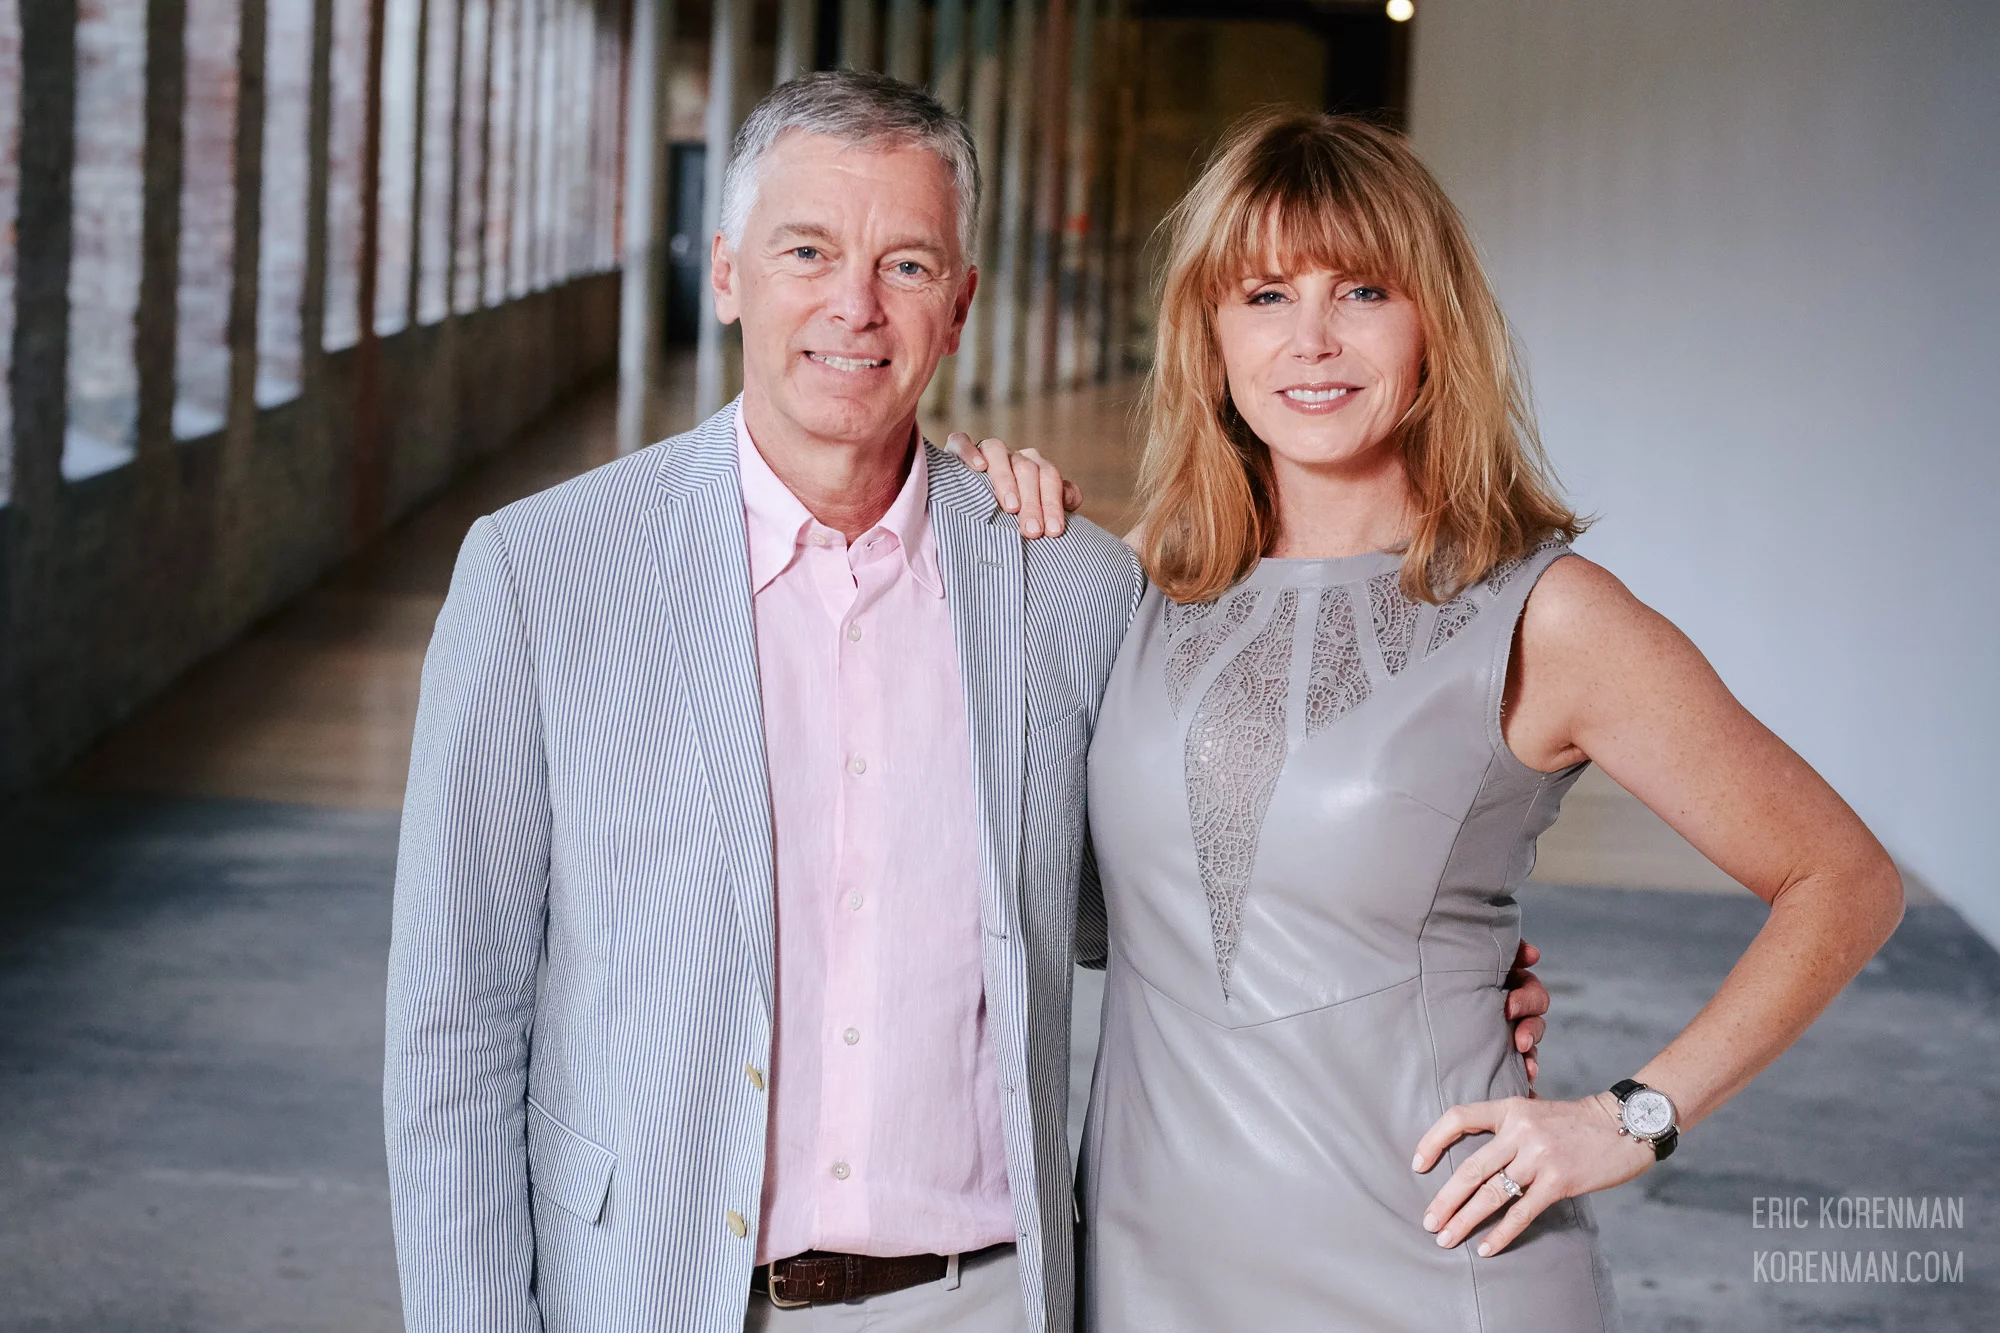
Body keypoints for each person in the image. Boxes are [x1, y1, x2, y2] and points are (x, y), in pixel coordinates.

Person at [384, 74, 1548, 1333]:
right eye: (806, 251)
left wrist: (1429, 963)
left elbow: (1161, 910)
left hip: (982, 1299)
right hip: (651, 1297)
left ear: (959, 306)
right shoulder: (542, 573)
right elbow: (455, 1022)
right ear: (726, 274)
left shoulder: (1068, 588)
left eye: (907, 265)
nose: (854, 305)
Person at [1075, 110, 1905, 1332]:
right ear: (1209, 335)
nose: (1310, 339)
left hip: (1433, 1265)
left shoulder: (1544, 614)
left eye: (1362, 290)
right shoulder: (1137, 582)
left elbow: (1841, 878)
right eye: (1264, 295)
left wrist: (1630, 1118)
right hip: (1144, 1264)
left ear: (1433, 326)